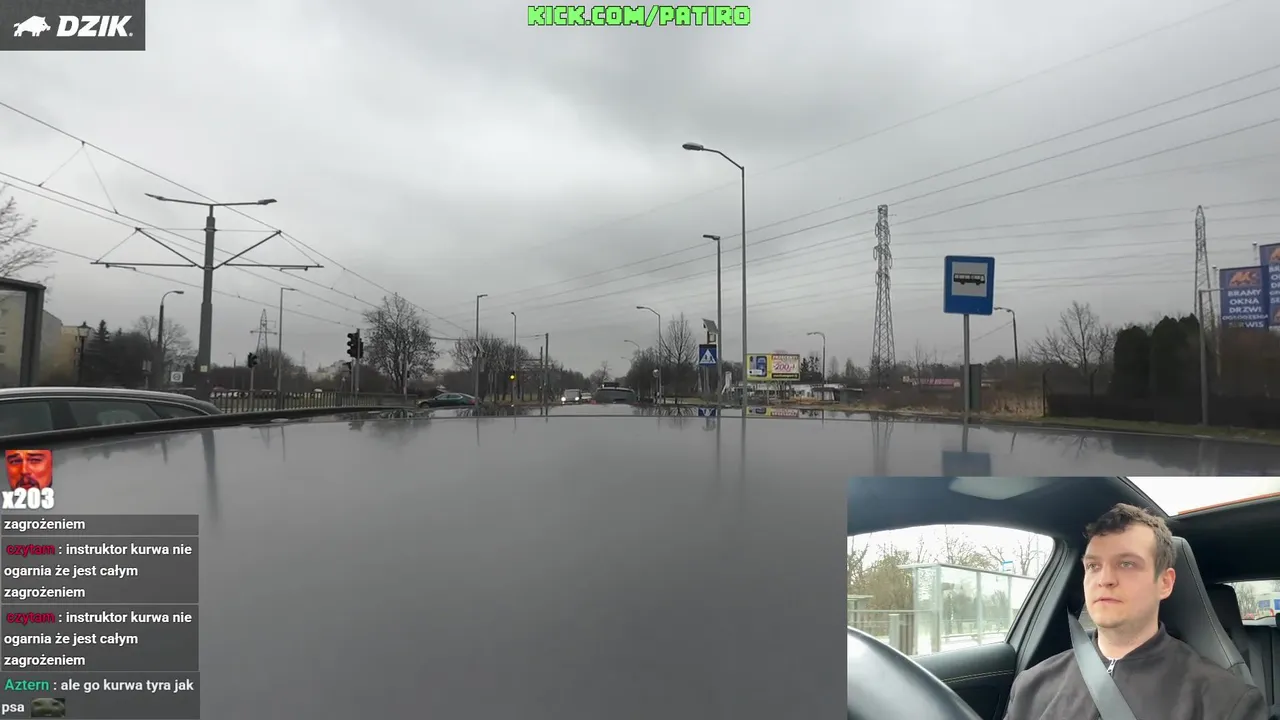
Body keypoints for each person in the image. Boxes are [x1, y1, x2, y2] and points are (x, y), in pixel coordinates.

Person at [1003, 503, 1267, 720]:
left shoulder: (1226, 702)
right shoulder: (1032, 685)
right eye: (1093, 566)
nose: (1105, 579)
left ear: (1165, 583)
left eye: (1127, 564)